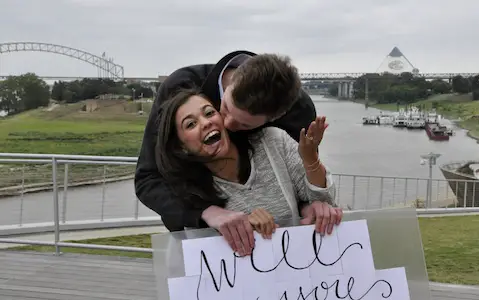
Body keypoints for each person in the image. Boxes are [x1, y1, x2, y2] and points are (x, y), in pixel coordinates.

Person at [156, 88, 340, 300]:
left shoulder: (272, 141)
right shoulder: (188, 194)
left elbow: (320, 197)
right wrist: (242, 229)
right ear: (181, 147)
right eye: (189, 124)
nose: (204, 123)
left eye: (208, 112)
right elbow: (206, 267)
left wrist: (311, 170)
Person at [135, 51, 338, 254]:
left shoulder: (294, 116)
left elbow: (308, 188)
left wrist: (309, 208)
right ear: (230, 83)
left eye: (244, 124)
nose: (227, 124)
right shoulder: (180, 86)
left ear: (275, 118)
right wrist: (205, 213)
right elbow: (148, 179)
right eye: (225, 108)